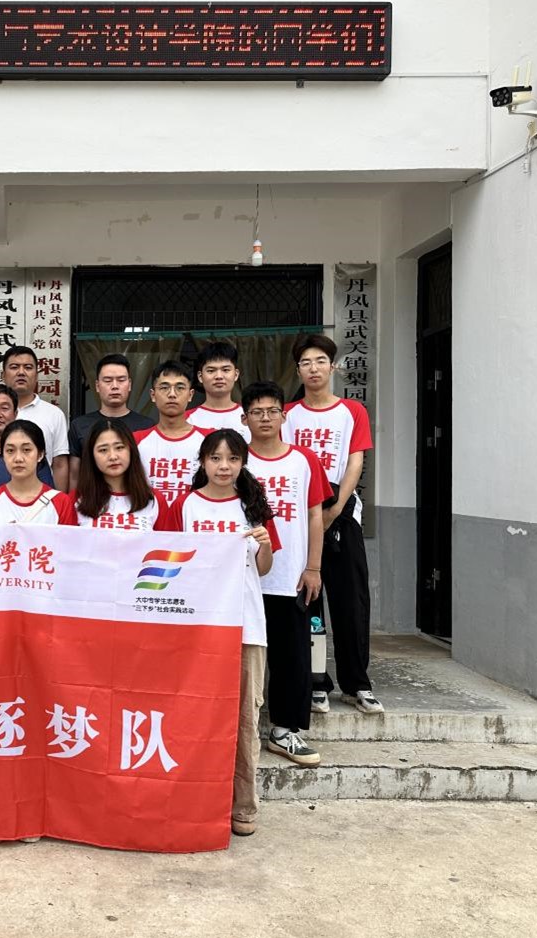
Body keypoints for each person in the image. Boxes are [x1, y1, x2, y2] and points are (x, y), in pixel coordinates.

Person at [164, 429, 280, 838]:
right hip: (197, 626)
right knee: (194, 714)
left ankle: (243, 806)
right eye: (215, 458)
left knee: (245, 717)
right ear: (202, 462)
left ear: (243, 463)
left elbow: (262, 569)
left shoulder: (253, 507)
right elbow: (170, 563)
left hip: (245, 624)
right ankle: (195, 801)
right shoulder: (185, 506)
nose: (224, 466)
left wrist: (264, 544)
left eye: (232, 459)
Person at [282, 334, 383, 715]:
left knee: (351, 602)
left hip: (341, 514)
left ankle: (357, 683)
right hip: (300, 517)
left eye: (320, 361)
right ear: (298, 370)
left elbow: (355, 461)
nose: (314, 369)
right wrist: (313, 518)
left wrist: (336, 508)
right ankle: (316, 682)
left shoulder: (351, 411)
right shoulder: (287, 414)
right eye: (306, 363)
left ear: (333, 366)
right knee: (309, 605)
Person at [242, 381, 329, 767]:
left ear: (284, 415)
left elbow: (314, 515)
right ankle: (235, 730)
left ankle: (284, 731)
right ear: (244, 418)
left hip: (291, 576)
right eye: (256, 412)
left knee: (291, 656)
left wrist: (313, 567)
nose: (265, 418)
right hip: (243, 580)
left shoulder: (304, 460)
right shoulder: (234, 458)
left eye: (272, 411)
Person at [66, 353, 154, 491]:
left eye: (121, 380)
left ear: (129, 384)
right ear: (97, 386)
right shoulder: (79, 425)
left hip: (135, 498)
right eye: (108, 380)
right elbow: (74, 475)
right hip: (92, 499)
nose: (114, 386)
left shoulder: (148, 426)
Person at [70, 418, 172, 530]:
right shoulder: (76, 498)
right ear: (91, 455)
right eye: (103, 450)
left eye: (119, 447)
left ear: (131, 450)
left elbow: (167, 540)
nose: (113, 456)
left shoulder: (154, 499)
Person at [0, 420, 78, 525]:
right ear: (3, 455)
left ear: (40, 454)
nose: (18, 458)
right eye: (10, 451)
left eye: (26, 450)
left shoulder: (61, 502)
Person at [134, 360, 209, 505]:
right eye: (164, 387)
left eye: (180, 388)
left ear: (190, 395)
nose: (172, 394)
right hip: (148, 517)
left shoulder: (208, 440)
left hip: (193, 517)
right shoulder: (135, 440)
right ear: (153, 395)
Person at [2, 345, 70, 491]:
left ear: (37, 375)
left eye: (28, 367)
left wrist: (59, 499)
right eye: (14, 367)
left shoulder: (54, 414)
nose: (21, 372)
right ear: (3, 375)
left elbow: (59, 464)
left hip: (42, 496)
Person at [187, 341, 250, 439]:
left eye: (225, 370)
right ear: (200, 376)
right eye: (211, 371)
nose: (219, 376)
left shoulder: (251, 417)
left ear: (236, 374)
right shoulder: (187, 419)